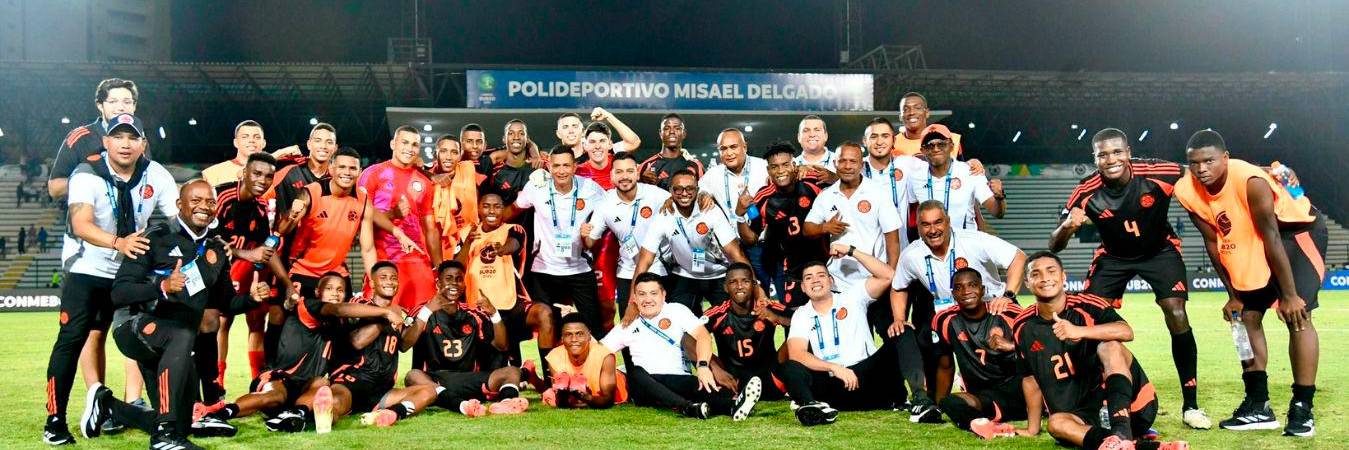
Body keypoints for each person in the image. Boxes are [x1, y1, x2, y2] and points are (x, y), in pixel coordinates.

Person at [79, 180, 270, 449]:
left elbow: (225, 304)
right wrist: (163, 286)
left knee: (184, 422)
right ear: (179, 205)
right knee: (182, 336)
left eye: (210, 202)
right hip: (135, 327)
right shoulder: (154, 237)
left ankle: (108, 406)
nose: (204, 206)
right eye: (196, 200)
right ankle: (165, 438)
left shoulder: (217, 249)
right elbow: (119, 293)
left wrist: (251, 299)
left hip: (176, 345)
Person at [1049, 128, 1210, 429]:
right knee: (1087, 319)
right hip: (1113, 257)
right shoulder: (1085, 191)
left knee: (1176, 312)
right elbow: (1054, 244)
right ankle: (1100, 400)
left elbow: (1203, 169)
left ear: (1128, 151)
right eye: (1103, 154)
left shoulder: (1157, 172)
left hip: (1159, 250)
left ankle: (1191, 405)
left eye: (1117, 152)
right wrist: (1069, 227)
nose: (1111, 159)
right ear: (1094, 158)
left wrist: (1268, 172)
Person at [1174, 130, 1326, 437]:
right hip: (1251, 237)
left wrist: (1289, 295)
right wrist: (1233, 295)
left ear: (1226, 158)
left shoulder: (1250, 180)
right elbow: (1213, 242)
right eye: (1194, 163)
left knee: (1297, 315)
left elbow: (1271, 236)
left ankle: (1302, 406)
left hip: (1294, 234)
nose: (1201, 169)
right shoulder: (1186, 190)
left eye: (1209, 161)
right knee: (1241, 319)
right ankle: (1258, 404)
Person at [44, 114, 178, 445]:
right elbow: (81, 224)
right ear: (105, 141)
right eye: (118, 136)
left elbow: (177, 220)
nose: (125, 143)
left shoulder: (156, 174)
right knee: (72, 338)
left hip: (128, 272)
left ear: (143, 144)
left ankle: (159, 416)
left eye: (133, 138)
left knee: (146, 337)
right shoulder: (86, 172)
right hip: (87, 269)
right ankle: (55, 420)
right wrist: (120, 242)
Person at [1010, 252, 1186, 450]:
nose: (1044, 278)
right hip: (1084, 416)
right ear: (1027, 282)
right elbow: (1030, 379)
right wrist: (1033, 428)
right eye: (1036, 274)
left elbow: (1126, 331)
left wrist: (1080, 331)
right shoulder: (1022, 326)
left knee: (1110, 345)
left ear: (1063, 276)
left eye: (1051, 271)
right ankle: (1136, 446)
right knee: (1056, 423)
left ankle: (1121, 432)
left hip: (1132, 408)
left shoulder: (1088, 304)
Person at [204, 272, 407, 433]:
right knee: (274, 395)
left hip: (305, 387)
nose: (335, 293)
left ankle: (294, 414)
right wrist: (386, 312)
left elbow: (353, 334)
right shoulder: (309, 306)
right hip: (281, 377)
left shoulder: (340, 325)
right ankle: (218, 415)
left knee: (322, 383)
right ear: (318, 292)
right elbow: (336, 309)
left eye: (340, 290)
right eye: (329, 289)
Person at [889, 200, 1025, 413]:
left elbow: (1018, 257)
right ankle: (938, 402)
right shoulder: (911, 255)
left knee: (1008, 358)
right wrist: (899, 317)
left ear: (948, 221)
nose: (933, 230)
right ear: (918, 227)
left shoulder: (973, 241)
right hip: (952, 316)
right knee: (937, 353)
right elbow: (898, 286)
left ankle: (1028, 397)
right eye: (925, 225)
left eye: (938, 222)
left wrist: (1008, 295)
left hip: (993, 309)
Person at [602, 272, 760, 420]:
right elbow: (600, 351)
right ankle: (687, 407)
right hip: (646, 387)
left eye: (653, 293)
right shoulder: (628, 324)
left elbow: (703, 336)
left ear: (663, 295)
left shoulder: (677, 311)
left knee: (701, 385)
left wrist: (703, 366)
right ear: (634, 298)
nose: (647, 299)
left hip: (679, 380)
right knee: (635, 373)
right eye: (642, 294)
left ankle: (733, 407)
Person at [778, 245, 898, 425]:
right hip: (830, 383)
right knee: (791, 366)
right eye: (809, 278)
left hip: (864, 376)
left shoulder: (852, 297)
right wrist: (834, 368)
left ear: (831, 280)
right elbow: (797, 353)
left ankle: (919, 400)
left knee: (903, 333)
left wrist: (852, 251)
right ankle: (812, 407)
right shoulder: (801, 314)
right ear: (803, 287)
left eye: (821, 275)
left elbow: (888, 275)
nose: (815, 281)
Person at [404, 261, 531, 417]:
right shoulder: (421, 310)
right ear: (438, 283)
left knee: (512, 371)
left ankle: (506, 403)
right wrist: (427, 312)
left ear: (464, 284)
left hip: (469, 379)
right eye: (448, 278)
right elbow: (404, 345)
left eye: (458, 279)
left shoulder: (473, 314)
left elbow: (502, 346)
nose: (454, 283)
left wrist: (494, 314)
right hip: (434, 380)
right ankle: (461, 405)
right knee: (412, 376)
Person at [327, 262, 444, 427]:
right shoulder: (360, 304)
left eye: (393, 278)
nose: (389, 281)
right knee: (335, 402)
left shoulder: (398, 312)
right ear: (372, 283)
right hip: (351, 382)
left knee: (428, 392)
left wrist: (426, 312)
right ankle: (325, 417)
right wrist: (386, 316)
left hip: (382, 391)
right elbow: (358, 341)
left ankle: (391, 414)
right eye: (383, 277)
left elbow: (404, 345)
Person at [504, 146, 606, 334]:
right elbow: (513, 209)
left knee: (593, 328)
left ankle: (598, 363)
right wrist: (488, 224)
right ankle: (550, 364)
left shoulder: (591, 189)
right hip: (544, 271)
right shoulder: (537, 187)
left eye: (566, 165)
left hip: (579, 269)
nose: (561, 171)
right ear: (549, 167)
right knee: (548, 329)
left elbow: (613, 208)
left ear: (575, 167)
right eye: (556, 165)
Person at [456, 193, 556, 377]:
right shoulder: (466, 234)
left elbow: (514, 244)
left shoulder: (514, 229)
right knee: (494, 374)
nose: (491, 211)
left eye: (497, 206)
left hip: (511, 305)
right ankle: (522, 371)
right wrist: (469, 243)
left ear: (503, 209)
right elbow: (457, 268)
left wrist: (501, 249)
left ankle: (551, 379)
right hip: (479, 310)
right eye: (486, 206)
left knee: (544, 313)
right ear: (478, 208)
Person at [632, 170, 749, 317]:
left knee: (727, 326)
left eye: (690, 188)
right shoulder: (664, 216)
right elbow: (644, 261)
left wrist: (756, 287)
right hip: (686, 275)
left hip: (719, 274)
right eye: (678, 189)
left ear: (697, 190)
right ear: (671, 191)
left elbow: (735, 253)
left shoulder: (710, 210)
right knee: (678, 323)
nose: (684, 193)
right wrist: (633, 302)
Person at [273, 147, 380, 303]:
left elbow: (368, 248)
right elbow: (281, 230)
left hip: (337, 275)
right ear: (331, 169)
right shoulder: (312, 192)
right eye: (342, 167)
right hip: (304, 271)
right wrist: (292, 214)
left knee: (346, 325)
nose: (347, 172)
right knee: (297, 323)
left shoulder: (363, 200)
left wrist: (373, 280)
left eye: (352, 168)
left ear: (360, 171)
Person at [930, 268, 1026, 439]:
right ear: (953, 294)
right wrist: (940, 406)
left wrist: (1011, 346)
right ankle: (984, 426)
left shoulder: (1009, 313)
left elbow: (1039, 353)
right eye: (959, 287)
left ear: (983, 290)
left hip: (1019, 389)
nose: (966, 291)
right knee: (948, 401)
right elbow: (945, 365)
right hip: (983, 398)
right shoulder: (944, 320)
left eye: (973, 285)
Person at [212, 152, 279, 387]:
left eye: (269, 176)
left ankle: (256, 381)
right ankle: (217, 382)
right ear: (244, 173)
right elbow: (207, 238)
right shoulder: (222, 196)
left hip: (248, 271)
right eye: (257, 174)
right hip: (218, 272)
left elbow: (262, 247)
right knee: (221, 322)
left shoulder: (261, 207)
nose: (263, 180)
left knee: (257, 322)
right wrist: (247, 254)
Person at [358, 125, 441, 310]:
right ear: (392, 144)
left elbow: (430, 230)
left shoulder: (424, 183)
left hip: (416, 261)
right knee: (383, 319)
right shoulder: (372, 174)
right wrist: (392, 215)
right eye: (404, 142)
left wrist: (438, 268)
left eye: (414, 144)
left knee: (425, 319)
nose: (409, 148)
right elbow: (363, 214)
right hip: (383, 259)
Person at [737, 142, 828, 308]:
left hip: (822, 263)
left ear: (794, 164)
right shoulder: (763, 198)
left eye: (785, 165)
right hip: (789, 270)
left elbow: (844, 186)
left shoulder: (813, 182)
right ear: (768, 171)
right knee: (792, 317)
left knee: (826, 312)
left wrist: (832, 176)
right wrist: (739, 215)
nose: (780, 171)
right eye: (774, 167)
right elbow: (751, 238)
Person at [804, 142, 902, 293]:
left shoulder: (878, 193)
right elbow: (807, 229)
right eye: (842, 161)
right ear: (835, 164)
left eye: (853, 161)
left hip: (873, 280)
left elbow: (893, 240)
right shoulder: (826, 196)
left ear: (861, 164)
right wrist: (824, 227)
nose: (847, 166)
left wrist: (892, 276)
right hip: (838, 281)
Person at [584, 152, 671, 316]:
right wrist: (584, 233)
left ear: (637, 173)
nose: (624, 176)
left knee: (663, 324)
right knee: (629, 326)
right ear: (611, 176)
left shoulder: (657, 195)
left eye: (629, 171)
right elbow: (589, 242)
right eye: (619, 172)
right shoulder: (605, 204)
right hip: (627, 272)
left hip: (659, 269)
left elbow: (684, 202)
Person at [702, 262, 791, 399]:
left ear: (754, 285)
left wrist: (776, 317)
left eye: (745, 281)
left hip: (770, 377)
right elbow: (689, 337)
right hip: (733, 381)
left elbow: (806, 323)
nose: (739, 286)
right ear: (726, 287)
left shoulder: (767, 307)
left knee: (798, 335)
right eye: (733, 282)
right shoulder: (717, 313)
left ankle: (799, 384)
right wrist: (715, 368)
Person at [48, 78, 138, 199]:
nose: (121, 107)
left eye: (127, 102)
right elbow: (54, 188)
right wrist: (97, 180)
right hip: (86, 216)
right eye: (112, 102)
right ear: (100, 105)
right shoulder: (79, 138)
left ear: (134, 106)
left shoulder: (141, 140)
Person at [909, 124, 1005, 231]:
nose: (936, 149)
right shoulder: (915, 177)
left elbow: (997, 213)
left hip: (965, 243)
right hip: (932, 242)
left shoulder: (971, 172)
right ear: (923, 150)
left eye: (941, 144)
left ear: (951, 146)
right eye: (930, 145)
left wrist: (999, 196)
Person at [541, 313, 629, 409]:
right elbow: (562, 401)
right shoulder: (554, 357)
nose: (574, 339)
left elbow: (608, 400)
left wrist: (587, 398)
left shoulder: (605, 356)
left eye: (580, 334)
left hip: (625, 380)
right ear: (562, 338)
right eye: (568, 334)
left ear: (589, 336)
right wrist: (564, 397)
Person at [268, 122, 337, 236]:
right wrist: (281, 152)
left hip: (318, 246)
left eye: (329, 142)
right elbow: (252, 171)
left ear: (335, 148)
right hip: (283, 243)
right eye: (318, 140)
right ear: (309, 144)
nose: (323, 146)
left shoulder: (336, 179)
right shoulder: (288, 167)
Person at [200, 120, 299, 188]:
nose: (251, 140)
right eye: (245, 137)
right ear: (235, 142)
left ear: (264, 143)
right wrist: (278, 153)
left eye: (256, 137)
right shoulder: (213, 173)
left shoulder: (278, 172)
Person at [429, 134, 480, 257]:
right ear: (436, 154)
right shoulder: (426, 181)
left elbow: (496, 157)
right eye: (443, 151)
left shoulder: (468, 170)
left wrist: (531, 149)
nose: (448, 157)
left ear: (460, 154)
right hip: (437, 245)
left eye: (454, 152)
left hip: (469, 241)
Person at [638, 113, 704, 190]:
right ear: (660, 134)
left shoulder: (695, 165)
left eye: (677, 128)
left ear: (684, 134)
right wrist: (642, 181)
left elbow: (703, 193)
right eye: (666, 128)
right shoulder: (646, 166)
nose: (672, 132)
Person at [892, 92, 963, 158]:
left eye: (917, 108)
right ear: (900, 116)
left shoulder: (951, 139)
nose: (912, 112)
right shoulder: (891, 144)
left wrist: (972, 164)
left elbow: (964, 168)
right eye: (906, 109)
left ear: (927, 112)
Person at [793, 115, 838, 185]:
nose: (812, 134)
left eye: (817, 130)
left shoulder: (841, 161)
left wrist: (836, 179)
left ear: (826, 136)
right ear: (799, 137)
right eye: (806, 130)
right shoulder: (791, 165)